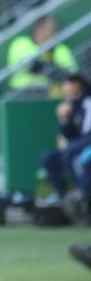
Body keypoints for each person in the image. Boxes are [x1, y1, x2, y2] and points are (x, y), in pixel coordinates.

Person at [41, 74, 91, 204]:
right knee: (48, 158)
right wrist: (64, 119)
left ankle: (82, 194)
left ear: (76, 85)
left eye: (67, 83)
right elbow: (69, 134)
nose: (64, 87)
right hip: (77, 145)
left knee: (71, 153)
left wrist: (70, 144)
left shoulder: (87, 101)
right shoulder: (71, 104)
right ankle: (64, 197)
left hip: (85, 145)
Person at [7, 15, 78, 94]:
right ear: (38, 27)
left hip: (54, 94)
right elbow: (32, 66)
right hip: (24, 92)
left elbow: (72, 76)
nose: (54, 31)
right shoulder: (21, 43)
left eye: (55, 28)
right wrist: (55, 70)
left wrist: (47, 69)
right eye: (50, 28)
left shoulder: (62, 49)